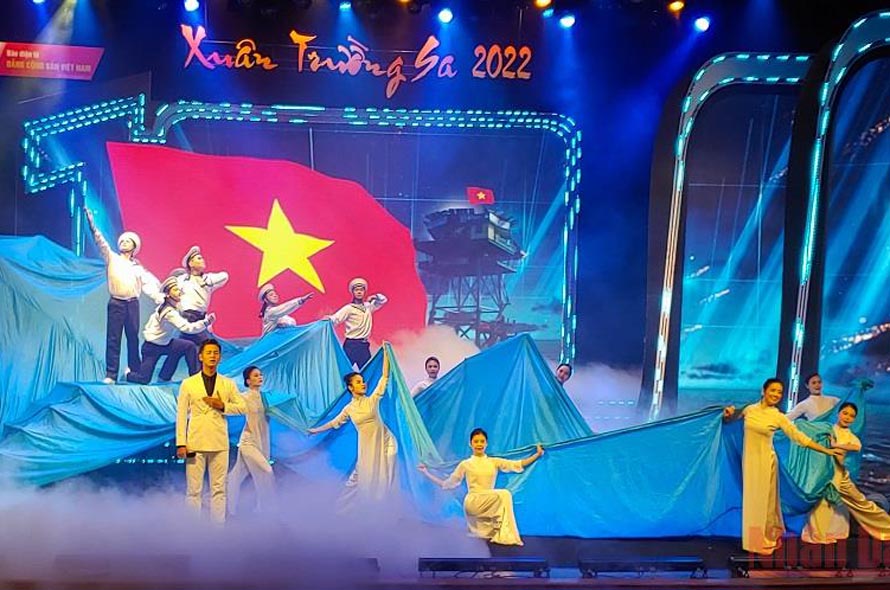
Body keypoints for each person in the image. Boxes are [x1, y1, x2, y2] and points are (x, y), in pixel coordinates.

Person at [724, 378, 843, 555]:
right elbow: (729, 420)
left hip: (766, 462)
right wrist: (727, 414)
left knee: (762, 503)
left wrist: (825, 450)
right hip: (749, 462)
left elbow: (799, 437)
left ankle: (759, 541)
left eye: (779, 392)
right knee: (751, 502)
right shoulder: (749, 409)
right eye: (773, 390)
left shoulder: (778, 416)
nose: (776, 394)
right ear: (763, 391)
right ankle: (752, 540)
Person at [418, 428, 544, 546]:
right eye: (476, 441)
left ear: (486, 443)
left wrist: (537, 455)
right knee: (504, 494)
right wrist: (426, 473)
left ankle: (503, 534)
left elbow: (518, 464)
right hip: (473, 501)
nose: (479, 444)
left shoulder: (493, 462)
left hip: (489, 501)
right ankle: (506, 536)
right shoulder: (465, 464)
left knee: (504, 495)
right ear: (470, 444)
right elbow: (446, 484)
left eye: (482, 441)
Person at [84, 207, 164, 384]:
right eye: (122, 241)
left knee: (133, 337)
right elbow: (100, 242)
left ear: (134, 247)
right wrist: (92, 224)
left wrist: (160, 298)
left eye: (128, 242)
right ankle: (111, 374)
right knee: (114, 338)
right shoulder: (112, 258)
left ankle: (134, 371)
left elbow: (149, 284)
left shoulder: (138, 267)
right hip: (116, 303)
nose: (124, 243)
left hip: (132, 304)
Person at [308, 349, 397, 503]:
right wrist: (316, 430)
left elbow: (384, 377)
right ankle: (342, 508)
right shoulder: (349, 409)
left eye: (363, 381)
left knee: (385, 475)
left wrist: (387, 354)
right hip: (367, 447)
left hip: (385, 442)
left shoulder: (372, 400)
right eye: (358, 382)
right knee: (359, 478)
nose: (363, 384)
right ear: (350, 387)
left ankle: (385, 506)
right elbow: (334, 422)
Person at [175, 339, 246, 523]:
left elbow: (242, 407)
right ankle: (193, 529)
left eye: (216, 353)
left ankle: (217, 530)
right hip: (194, 442)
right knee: (193, 490)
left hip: (219, 441)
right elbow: (181, 415)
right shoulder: (188, 384)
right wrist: (181, 443)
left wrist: (222, 406)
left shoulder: (228, 384)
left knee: (219, 489)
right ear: (200, 356)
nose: (212, 356)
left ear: (220, 357)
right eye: (209, 353)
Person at [802, 402, 890, 544]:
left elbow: (856, 447)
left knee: (860, 502)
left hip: (840, 475)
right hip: (823, 473)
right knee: (822, 503)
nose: (847, 417)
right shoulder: (828, 429)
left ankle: (886, 527)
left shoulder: (851, 437)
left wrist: (836, 445)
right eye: (845, 413)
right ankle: (817, 536)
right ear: (839, 413)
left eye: (851, 416)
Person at [126, 277, 215, 384]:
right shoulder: (169, 312)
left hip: (166, 343)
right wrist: (206, 323)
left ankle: (179, 378)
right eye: (175, 290)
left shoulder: (174, 305)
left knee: (188, 346)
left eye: (179, 289)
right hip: (152, 347)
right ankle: (128, 374)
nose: (179, 291)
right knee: (144, 379)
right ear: (168, 294)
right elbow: (187, 328)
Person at [228, 366, 275, 516]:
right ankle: (267, 509)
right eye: (255, 375)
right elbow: (229, 406)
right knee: (267, 471)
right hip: (248, 442)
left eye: (260, 375)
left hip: (262, 441)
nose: (260, 377)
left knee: (235, 477)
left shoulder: (267, 398)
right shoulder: (244, 397)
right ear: (248, 381)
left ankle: (222, 505)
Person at [327, 278, 387, 369]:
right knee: (344, 370)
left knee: (367, 371)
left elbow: (383, 300)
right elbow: (335, 319)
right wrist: (327, 320)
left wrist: (375, 296)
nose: (359, 292)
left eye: (361, 290)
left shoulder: (368, 307)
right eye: (356, 290)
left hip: (364, 345)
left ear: (364, 292)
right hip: (351, 345)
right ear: (353, 292)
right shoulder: (349, 308)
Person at [178, 245, 229, 345]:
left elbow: (225, 276)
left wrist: (206, 281)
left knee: (207, 347)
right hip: (186, 319)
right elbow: (170, 292)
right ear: (191, 263)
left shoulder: (207, 279)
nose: (203, 260)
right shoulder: (182, 280)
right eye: (199, 258)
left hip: (200, 319)